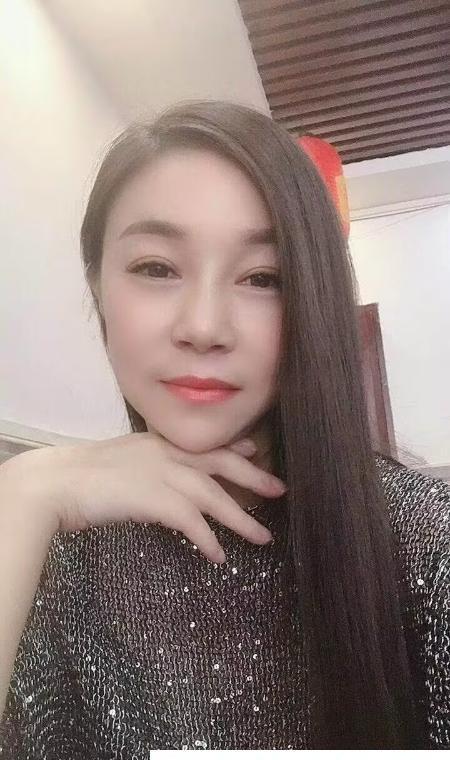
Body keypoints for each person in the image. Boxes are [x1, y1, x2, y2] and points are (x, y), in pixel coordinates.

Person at [0, 99, 448, 754]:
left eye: (262, 278)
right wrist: (21, 493)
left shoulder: (424, 542)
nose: (204, 326)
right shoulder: (45, 547)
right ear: (97, 286)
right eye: (156, 268)